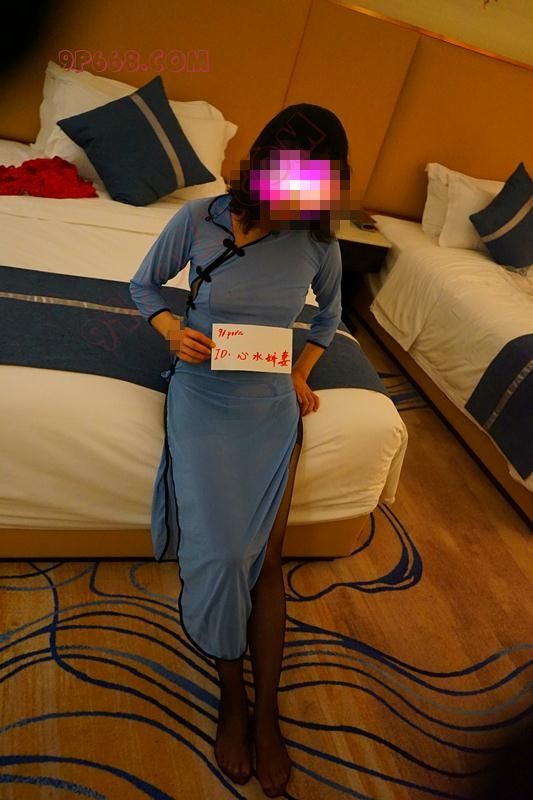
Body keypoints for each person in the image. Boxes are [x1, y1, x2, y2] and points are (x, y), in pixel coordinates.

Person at [129, 102, 351, 797]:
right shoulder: (198, 218)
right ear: (262, 166)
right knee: (225, 555)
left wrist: (300, 371)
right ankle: (232, 697)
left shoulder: (318, 244)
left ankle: (269, 717)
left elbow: (330, 316)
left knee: (267, 561)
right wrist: (172, 330)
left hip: (266, 403)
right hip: (201, 391)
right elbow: (142, 285)